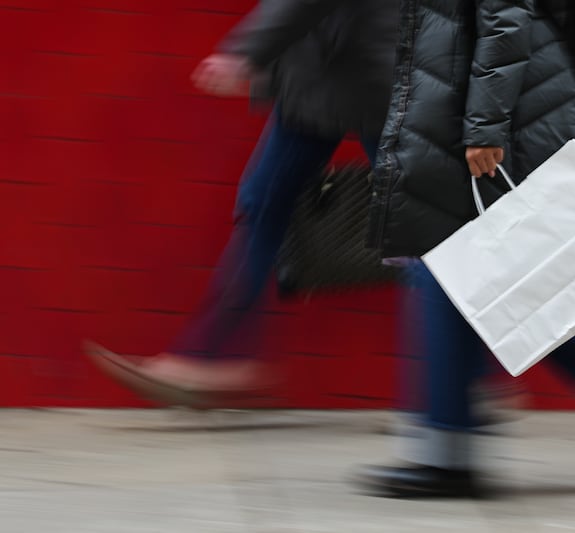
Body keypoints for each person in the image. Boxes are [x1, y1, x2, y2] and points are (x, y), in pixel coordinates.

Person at [356, 0, 575, 498]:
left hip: (495, 108)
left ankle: (449, 452)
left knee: (447, 261)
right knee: (477, 265)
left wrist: (485, 127)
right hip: (469, 95)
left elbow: (505, 16)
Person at [85, 0, 400, 405]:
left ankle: (462, 376)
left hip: (362, 67)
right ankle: (215, 353)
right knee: (266, 201)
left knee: (414, 220)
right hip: (338, 71)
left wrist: (246, 51)